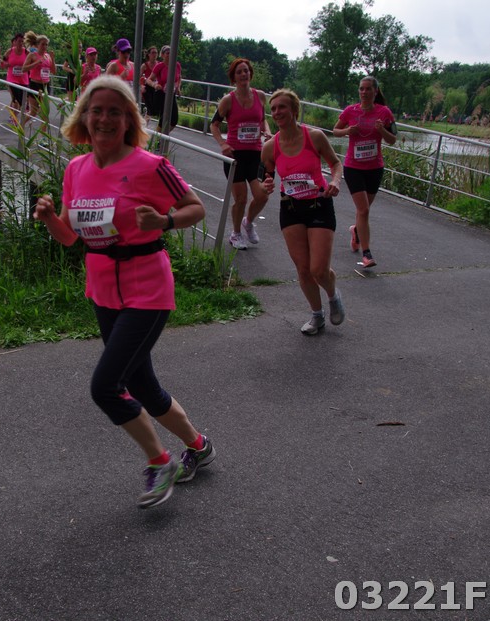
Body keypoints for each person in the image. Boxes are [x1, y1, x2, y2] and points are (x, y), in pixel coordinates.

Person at [32, 76, 216, 509]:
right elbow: (70, 237)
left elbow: (196, 208)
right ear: (84, 117)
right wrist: (49, 218)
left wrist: (165, 222)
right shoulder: (76, 169)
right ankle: (199, 445)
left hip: (147, 288)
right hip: (102, 290)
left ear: (129, 120)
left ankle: (160, 462)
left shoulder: (152, 166)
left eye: (115, 111)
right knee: (143, 386)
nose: (104, 119)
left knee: (105, 387)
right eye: (96, 110)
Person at [261, 89, 346, 335]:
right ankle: (317, 315)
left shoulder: (315, 137)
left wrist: (336, 181)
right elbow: (265, 176)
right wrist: (266, 184)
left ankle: (333, 295)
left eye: (282, 107)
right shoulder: (270, 147)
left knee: (319, 269)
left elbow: (335, 163)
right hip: (290, 208)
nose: (277, 112)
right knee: (303, 269)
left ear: (294, 110)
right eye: (273, 108)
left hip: (319, 204)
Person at [333, 76, 397, 268]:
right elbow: (335, 130)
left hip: (374, 168)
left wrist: (381, 130)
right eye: (361, 89)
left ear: (375, 91)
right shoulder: (350, 111)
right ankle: (366, 254)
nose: (364, 92)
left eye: (368, 89)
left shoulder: (384, 112)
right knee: (364, 210)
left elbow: (392, 139)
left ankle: (356, 231)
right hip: (354, 167)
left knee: (364, 210)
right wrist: (347, 131)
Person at [210, 58, 270, 250]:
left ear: (250, 73)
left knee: (262, 195)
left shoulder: (260, 96)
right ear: (233, 78)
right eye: (239, 72)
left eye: (246, 71)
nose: (244, 74)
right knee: (241, 198)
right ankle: (236, 234)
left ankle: (248, 222)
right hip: (234, 156)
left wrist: (267, 131)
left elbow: (263, 120)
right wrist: (222, 144)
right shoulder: (228, 100)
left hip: (255, 154)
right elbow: (214, 125)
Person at [22, 35, 55, 132]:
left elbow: (54, 71)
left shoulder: (48, 56)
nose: (45, 46)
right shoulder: (32, 55)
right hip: (35, 85)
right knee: (33, 112)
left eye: (46, 44)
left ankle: (43, 137)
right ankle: (21, 125)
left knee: (45, 113)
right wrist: (36, 63)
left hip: (46, 85)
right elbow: (24, 69)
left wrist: (53, 59)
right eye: (42, 44)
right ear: (37, 45)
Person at [147, 45, 181, 133]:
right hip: (161, 94)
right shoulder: (160, 66)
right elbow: (149, 80)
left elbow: (179, 78)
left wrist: (178, 87)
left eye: (171, 53)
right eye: (167, 53)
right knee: (164, 118)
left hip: (171, 94)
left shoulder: (177, 65)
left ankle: (161, 135)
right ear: (162, 55)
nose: (170, 55)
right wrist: (155, 85)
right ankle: (157, 138)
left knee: (174, 120)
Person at [2, 33, 29, 125]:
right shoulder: (10, 51)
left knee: (21, 101)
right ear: (15, 42)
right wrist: (6, 64)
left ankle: (14, 117)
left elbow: (31, 61)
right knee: (17, 100)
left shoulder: (26, 52)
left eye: (22, 41)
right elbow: (3, 61)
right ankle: (18, 119)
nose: (20, 43)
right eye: (19, 41)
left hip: (23, 80)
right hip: (12, 79)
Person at [140, 46, 159, 118]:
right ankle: (146, 113)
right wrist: (141, 86)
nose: (155, 55)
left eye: (156, 53)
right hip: (147, 89)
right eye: (153, 53)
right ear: (149, 54)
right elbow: (138, 77)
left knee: (153, 110)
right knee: (151, 110)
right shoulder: (144, 65)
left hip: (157, 88)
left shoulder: (159, 65)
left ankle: (146, 114)